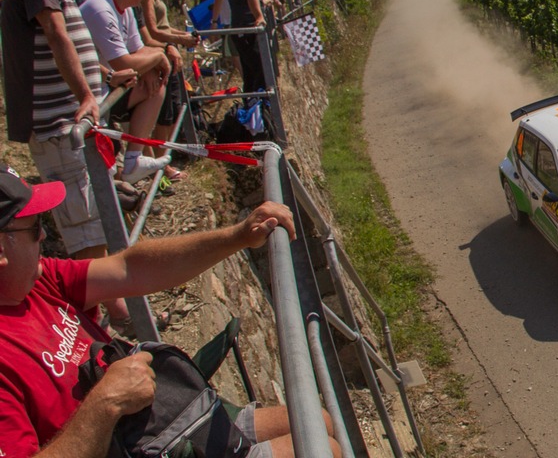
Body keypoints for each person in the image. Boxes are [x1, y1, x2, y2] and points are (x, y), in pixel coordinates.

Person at [0, 164, 341, 458]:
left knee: (320, 421)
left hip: (165, 418)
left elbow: (130, 269)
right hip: (145, 442)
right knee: (323, 450)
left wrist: (237, 236)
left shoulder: (37, 280)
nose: (44, 234)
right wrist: (105, 404)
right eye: (32, 226)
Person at [0, 0, 137, 266]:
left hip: (70, 121)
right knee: (86, 228)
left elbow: (67, 42)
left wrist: (104, 76)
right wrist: (85, 96)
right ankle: (113, 316)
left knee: (95, 220)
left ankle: (120, 313)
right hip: (60, 126)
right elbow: (55, 32)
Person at [79, 0, 174, 183]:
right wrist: (159, 56)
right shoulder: (101, 10)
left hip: (108, 87)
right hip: (90, 93)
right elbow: (123, 62)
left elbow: (138, 50)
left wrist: (152, 66)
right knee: (154, 82)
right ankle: (131, 162)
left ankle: (133, 160)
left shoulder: (124, 7)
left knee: (157, 85)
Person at [136, 0, 202, 180]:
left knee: (170, 113)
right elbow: (152, 31)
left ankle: (161, 161)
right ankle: (159, 164)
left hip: (166, 52)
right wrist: (177, 40)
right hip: (159, 56)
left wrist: (178, 39)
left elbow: (161, 28)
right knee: (161, 116)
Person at [228, 0, 269, 95]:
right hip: (246, 28)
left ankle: (253, 111)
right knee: (261, 72)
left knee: (252, 75)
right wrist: (259, 17)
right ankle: (259, 109)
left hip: (246, 28)